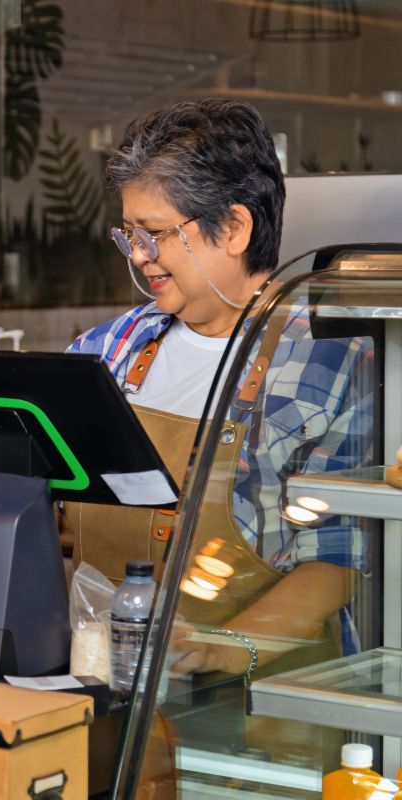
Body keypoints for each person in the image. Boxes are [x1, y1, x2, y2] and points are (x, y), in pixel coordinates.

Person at [66, 98, 371, 682]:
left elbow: (337, 561)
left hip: (265, 710)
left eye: (154, 233)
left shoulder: (333, 361)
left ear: (233, 228)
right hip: (113, 695)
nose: (138, 255)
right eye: (128, 233)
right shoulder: (105, 352)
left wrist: (219, 649)